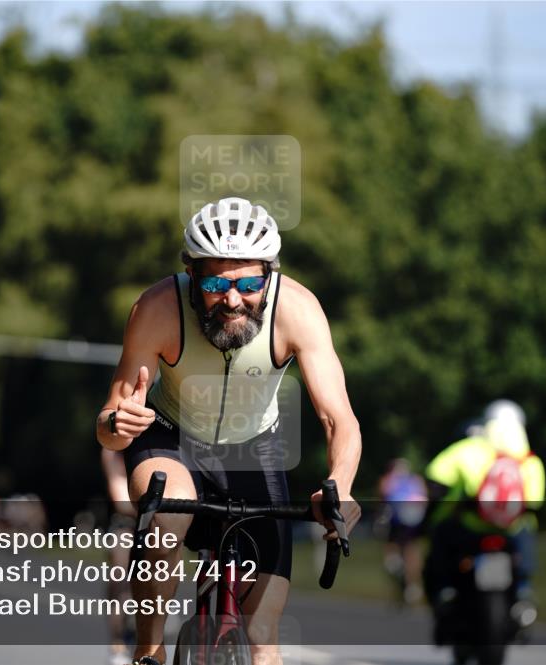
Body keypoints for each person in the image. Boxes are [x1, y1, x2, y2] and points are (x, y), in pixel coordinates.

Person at [95, 197, 362, 665]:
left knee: (263, 639)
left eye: (249, 283)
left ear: (270, 274)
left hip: (255, 448)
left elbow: (339, 418)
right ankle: (148, 649)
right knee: (166, 518)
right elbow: (110, 425)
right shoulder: (158, 307)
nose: (233, 299)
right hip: (170, 436)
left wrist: (339, 485)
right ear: (192, 275)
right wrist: (119, 425)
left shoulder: (296, 310)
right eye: (216, 283)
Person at [422, 399, 545, 640]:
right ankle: (523, 594)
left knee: (440, 541)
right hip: (512, 532)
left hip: (469, 530)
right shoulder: (530, 461)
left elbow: (435, 480)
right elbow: (534, 505)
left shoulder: (468, 449)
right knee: (526, 546)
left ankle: (445, 592)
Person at [102, 448, 138, 665]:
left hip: (153, 522)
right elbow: (121, 501)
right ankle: (118, 646)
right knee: (121, 586)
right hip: (125, 523)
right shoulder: (113, 450)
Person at [378, 458, 427, 605]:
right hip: (400, 522)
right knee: (405, 551)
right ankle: (407, 582)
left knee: (408, 551)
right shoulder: (413, 480)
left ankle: (410, 584)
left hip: (406, 522)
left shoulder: (397, 480)